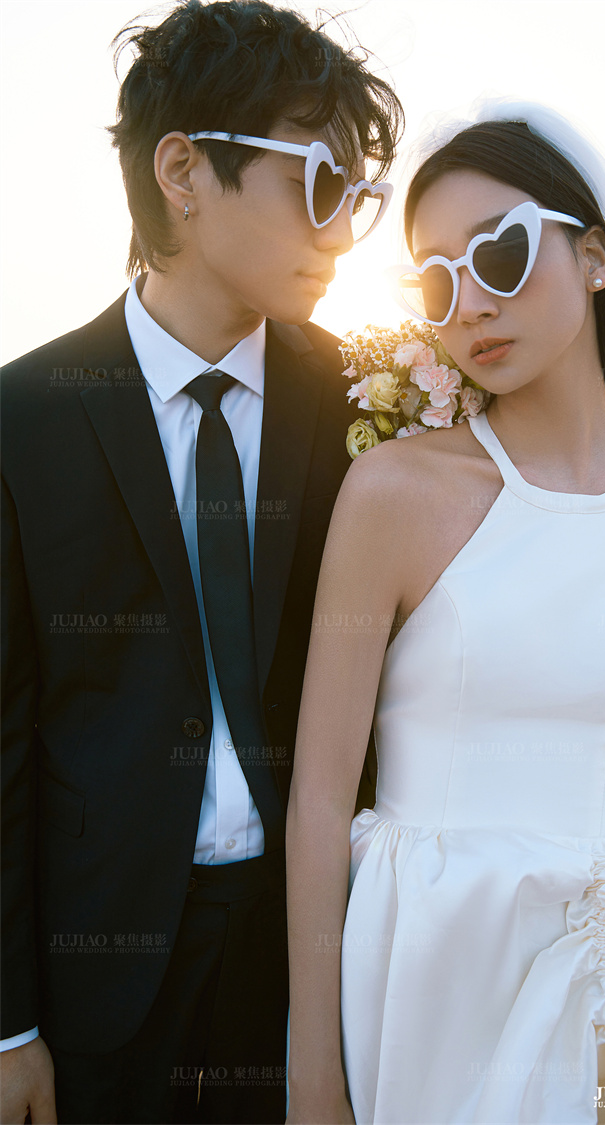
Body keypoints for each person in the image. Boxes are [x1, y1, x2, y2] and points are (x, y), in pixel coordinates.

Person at [284, 101, 605, 1124]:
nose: (470, 305)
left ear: (595, 258)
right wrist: (312, 1085)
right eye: (437, 280)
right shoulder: (395, 494)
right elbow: (318, 803)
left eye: (501, 254)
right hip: (442, 973)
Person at [0, 2, 402, 1122]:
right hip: (98, 980)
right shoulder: (24, 418)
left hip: (316, 959)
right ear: (182, 169)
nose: (341, 232)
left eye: (358, 196)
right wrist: (9, 1022)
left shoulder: (365, 404)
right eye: (316, 182)